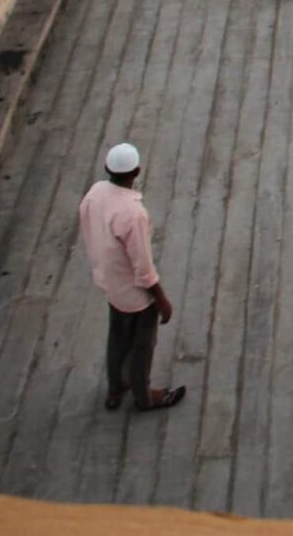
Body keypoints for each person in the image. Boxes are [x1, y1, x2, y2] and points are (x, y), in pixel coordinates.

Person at [77, 142, 185, 412]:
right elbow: (143, 268)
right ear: (136, 171)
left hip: (110, 283)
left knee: (117, 337)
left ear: (107, 168)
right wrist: (162, 300)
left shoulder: (95, 193)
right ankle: (144, 397)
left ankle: (115, 389)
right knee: (142, 346)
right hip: (135, 293)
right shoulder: (133, 215)